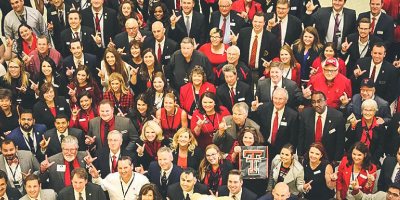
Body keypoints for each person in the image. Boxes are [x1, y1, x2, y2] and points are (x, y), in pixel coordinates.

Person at [234, 12, 279, 90]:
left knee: (261, 94)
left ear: (264, 23)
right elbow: (238, 51)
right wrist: (234, 43)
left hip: (261, 71)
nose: (257, 24)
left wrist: (270, 64)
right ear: (252, 21)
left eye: (260, 22)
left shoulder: (271, 38)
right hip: (245, 70)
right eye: (255, 21)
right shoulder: (243, 33)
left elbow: (274, 56)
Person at [298, 91, 345, 163]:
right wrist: (300, 155)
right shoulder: (305, 113)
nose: (316, 104)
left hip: (328, 157)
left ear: (325, 102)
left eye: (319, 101)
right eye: (313, 102)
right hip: (309, 156)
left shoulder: (337, 116)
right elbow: (301, 136)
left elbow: (340, 141)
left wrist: (336, 159)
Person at [250, 88, 298, 156]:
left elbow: (293, 138)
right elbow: (254, 124)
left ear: (286, 100)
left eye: (280, 99)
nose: (277, 101)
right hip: (263, 147)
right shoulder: (263, 108)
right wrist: (253, 109)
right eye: (275, 98)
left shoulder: (293, 115)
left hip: (282, 151)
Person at [346, 99, 386, 165]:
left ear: (375, 111)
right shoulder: (357, 122)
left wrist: (373, 161)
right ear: (362, 110)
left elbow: (381, 146)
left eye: (371, 110)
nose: (367, 113)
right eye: (365, 110)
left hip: (371, 159)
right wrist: (353, 127)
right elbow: (349, 139)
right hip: (354, 157)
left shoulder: (380, 126)